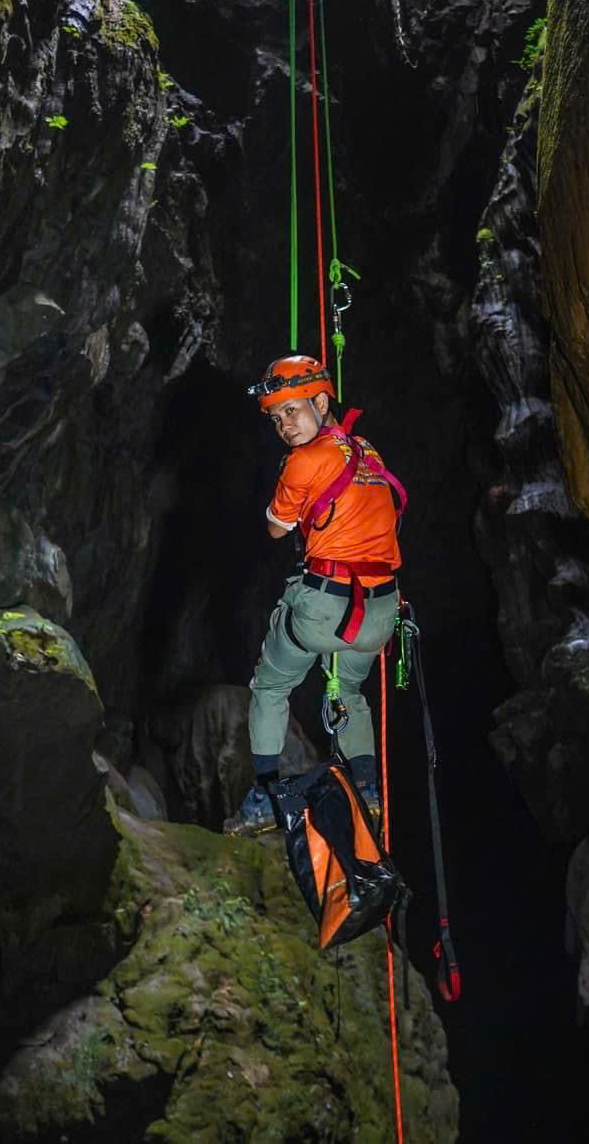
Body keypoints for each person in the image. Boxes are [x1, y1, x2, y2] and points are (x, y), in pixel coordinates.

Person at [224, 355, 408, 836]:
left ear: (322, 401)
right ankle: (366, 790)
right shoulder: (367, 451)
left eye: (292, 411)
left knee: (270, 687)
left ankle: (265, 793)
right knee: (349, 692)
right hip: (380, 613)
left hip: (324, 608)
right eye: (276, 417)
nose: (285, 425)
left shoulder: (303, 461)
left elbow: (274, 528)